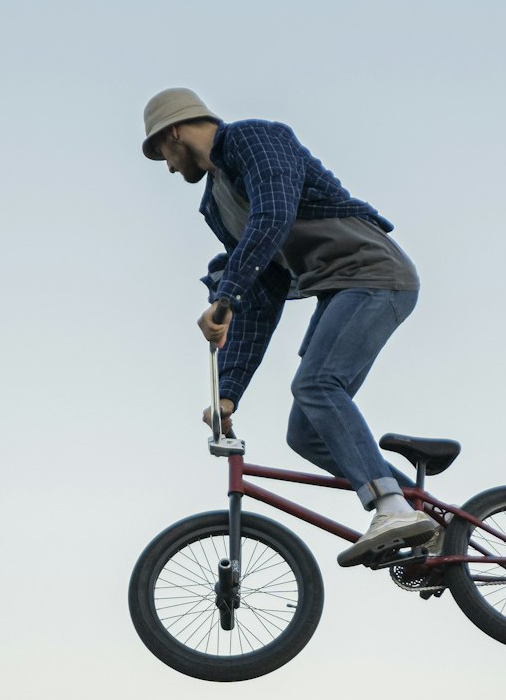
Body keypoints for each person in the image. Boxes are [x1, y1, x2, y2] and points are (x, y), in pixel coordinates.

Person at [141, 87, 436, 567]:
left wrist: (225, 293)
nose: (171, 169)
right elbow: (263, 294)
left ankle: (391, 506)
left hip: (375, 274)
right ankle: (428, 520)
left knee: (318, 384)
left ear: (174, 131)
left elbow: (273, 214)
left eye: (163, 156)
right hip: (340, 288)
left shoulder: (254, 140)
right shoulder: (216, 204)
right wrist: (229, 392)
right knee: (306, 432)